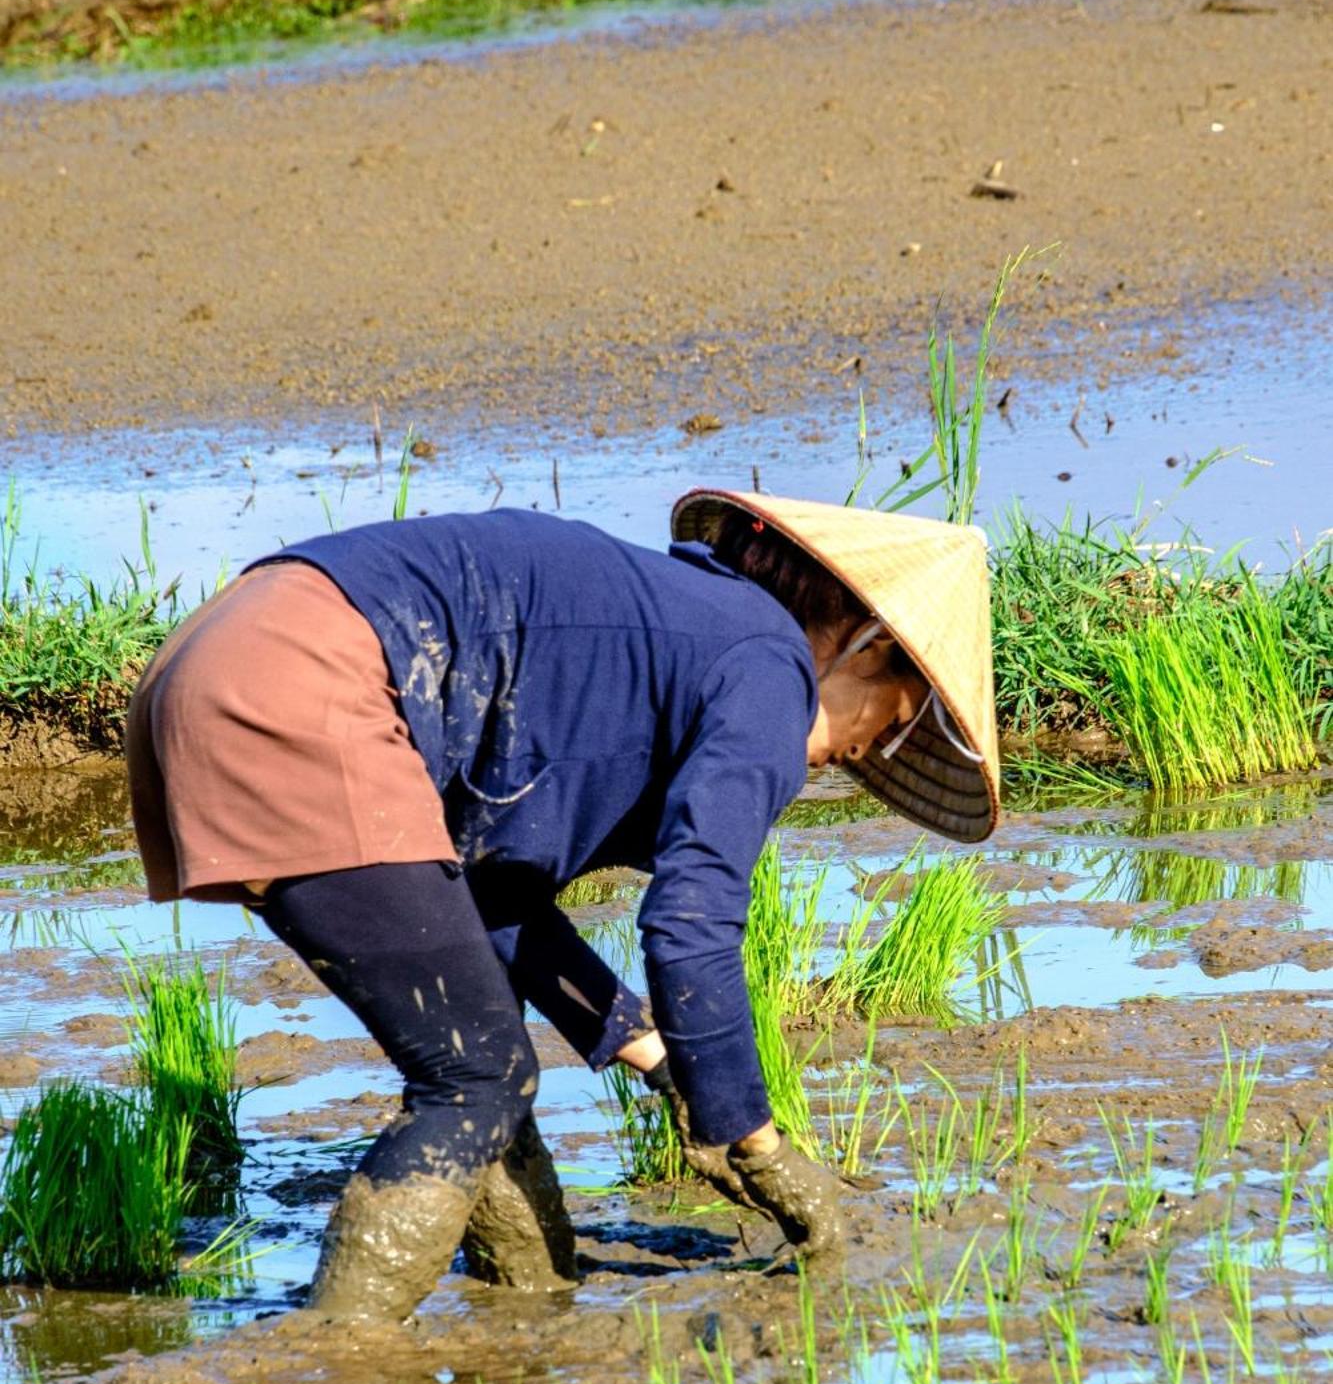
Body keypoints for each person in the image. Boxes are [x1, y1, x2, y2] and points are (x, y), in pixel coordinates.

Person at [125, 490, 998, 1321]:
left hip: (219, 650)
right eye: (888, 722)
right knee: (474, 1079)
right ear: (866, 644)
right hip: (312, 679)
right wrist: (751, 1136)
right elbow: (691, 922)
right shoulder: (769, 664)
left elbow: (484, 895)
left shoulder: (685, 634)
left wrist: (656, 1057)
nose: (857, 751)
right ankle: (344, 1348)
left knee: (481, 1058)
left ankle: (527, 1297)